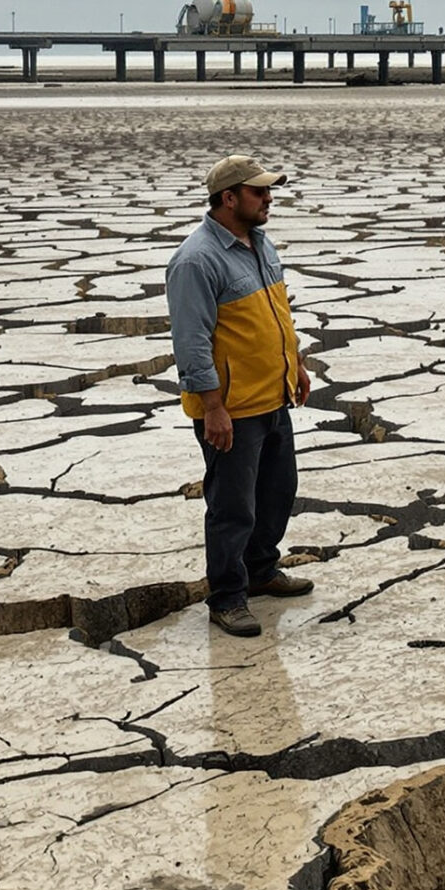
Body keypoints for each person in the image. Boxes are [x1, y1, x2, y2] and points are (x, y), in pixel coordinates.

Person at [166, 155, 313, 637]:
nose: (269, 198)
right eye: (258, 192)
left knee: (277, 492)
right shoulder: (196, 260)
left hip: (273, 396)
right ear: (228, 198)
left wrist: (298, 364)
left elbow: (277, 313)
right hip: (230, 409)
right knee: (232, 506)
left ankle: (262, 571)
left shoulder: (260, 244)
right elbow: (191, 342)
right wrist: (212, 407)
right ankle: (228, 596)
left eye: (268, 191)